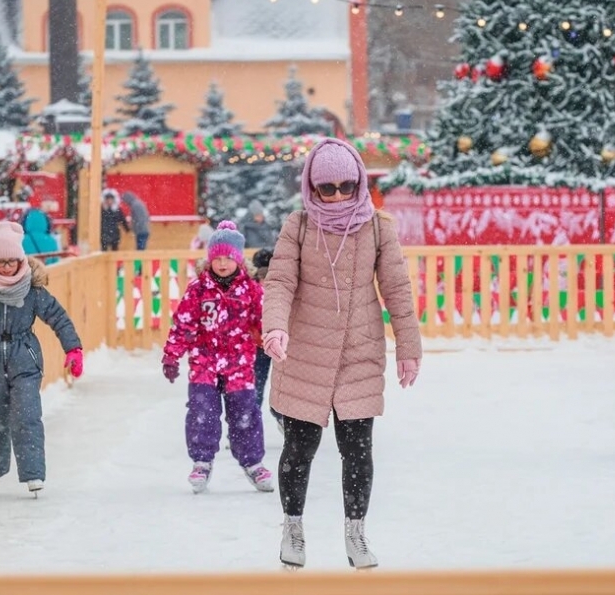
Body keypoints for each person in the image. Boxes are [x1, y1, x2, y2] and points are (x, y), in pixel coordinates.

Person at [261, 138, 422, 571]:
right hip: (305, 352)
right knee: (299, 447)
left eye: (346, 187)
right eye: (326, 188)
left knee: (357, 449)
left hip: (359, 351)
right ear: (311, 187)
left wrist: (408, 347)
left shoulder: (378, 227)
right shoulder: (298, 226)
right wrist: (275, 326)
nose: (336, 196)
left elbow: (397, 289)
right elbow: (280, 282)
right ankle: (293, 527)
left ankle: (356, 531)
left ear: (359, 183)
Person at [0, 221, 84, 495]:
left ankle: (33, 473)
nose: (7, 267)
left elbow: (58, 318)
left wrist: (73, 349)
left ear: (21, 260)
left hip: (25, 356)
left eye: (12, 261)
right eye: (1, 262)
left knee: (27, 414)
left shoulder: (33, 290)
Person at [162, 221, 274, 494]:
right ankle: (202, 461)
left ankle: (253, 462)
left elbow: (265, 321)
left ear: (238, 259)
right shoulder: (198, 289)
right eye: (217, 258)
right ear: (210, 259)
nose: (222, 264)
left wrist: (274, 341)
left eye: (228, 258)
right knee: (202, 412)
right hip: (205, 362)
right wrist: (172, 356)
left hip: (239, 363)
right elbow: (183, 325)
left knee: (245, 413)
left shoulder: (251, 290)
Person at [249, 247, 282, 434]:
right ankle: (281, 418)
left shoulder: (249, 287)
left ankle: (247, 424)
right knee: (273, 386)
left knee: (258, 386)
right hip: (271, 343)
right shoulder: (281, 283)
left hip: (265, 343)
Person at [19, 194, 60, 265]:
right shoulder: (52, 241)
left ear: (26, 222)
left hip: (29, 272)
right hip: (47, 271)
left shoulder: (20, 241)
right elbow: (56, 263)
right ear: (46, 222)